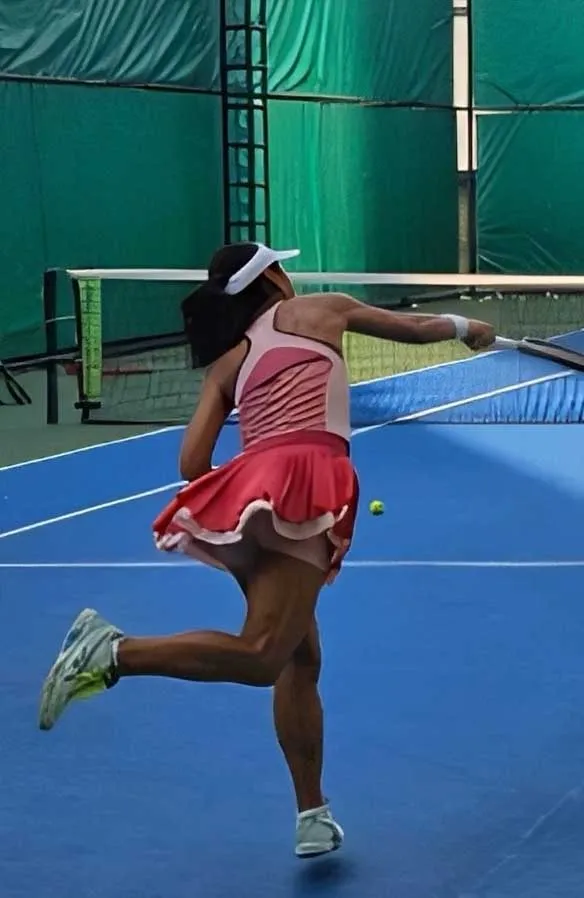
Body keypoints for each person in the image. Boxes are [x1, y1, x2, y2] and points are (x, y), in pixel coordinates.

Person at [38, 242, 495, 857]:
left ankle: (312, 814)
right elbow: (412, 327)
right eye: (283, 265)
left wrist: (256, 482)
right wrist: (468, 327)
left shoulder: (227, 362)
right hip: (302, 488)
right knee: (261, 655)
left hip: (254, 494)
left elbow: (192, 462)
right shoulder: (320, 310)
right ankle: (115, 650)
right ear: (274, 276)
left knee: (299, 660)